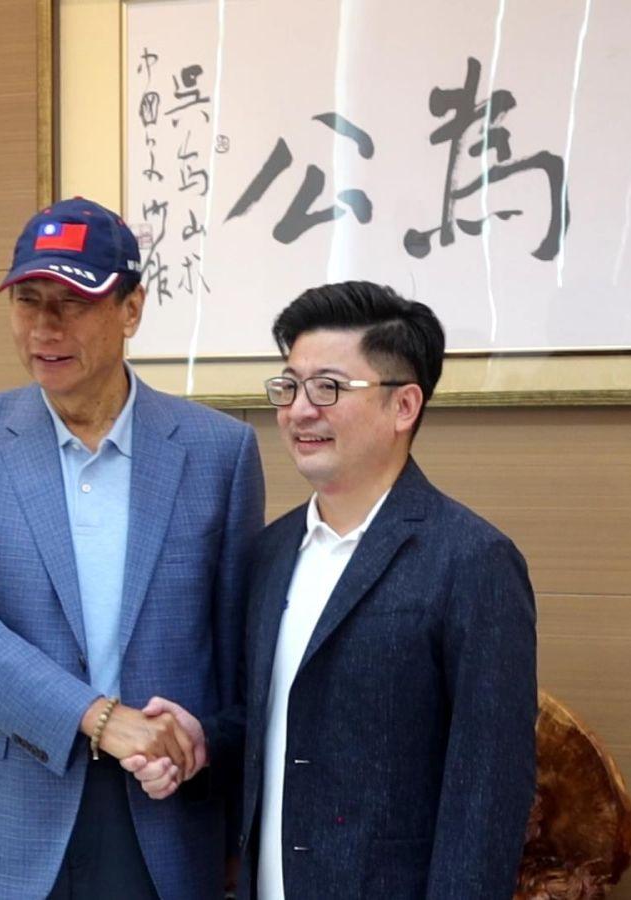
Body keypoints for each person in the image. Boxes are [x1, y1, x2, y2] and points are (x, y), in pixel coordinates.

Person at [0, 197, 264, 899]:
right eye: (29, 301)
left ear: (131, 309)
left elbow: (236, 660)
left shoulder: (218, 452)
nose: (46, 327)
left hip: (161, 809)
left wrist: (224, 803)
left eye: (73, 302)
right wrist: (101, 718)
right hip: (6, 808)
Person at [135, 281, 536, 897]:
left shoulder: (472, 561)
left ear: (403, 406)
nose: (299, 410)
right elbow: (282, 725)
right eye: (289, 386)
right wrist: (204, 743)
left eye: (328, 388)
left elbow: (488, 792)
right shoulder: (270, 553)